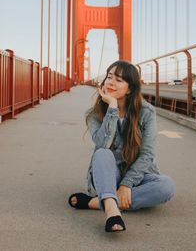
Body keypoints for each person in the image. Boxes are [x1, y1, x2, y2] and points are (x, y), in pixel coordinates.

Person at [68, 60, 175, 232]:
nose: (110, 82)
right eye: (109, 77)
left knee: (167, 186)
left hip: (138, 177)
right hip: (108, 176)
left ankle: (97, 202)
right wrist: (112, 107)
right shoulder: (94, 114)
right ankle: (111, 211)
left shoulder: (146, 112)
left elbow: (147, 154)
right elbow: (103, 144)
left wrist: (127, 184)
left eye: (118, 80)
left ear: (130, 88)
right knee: (102, 153)